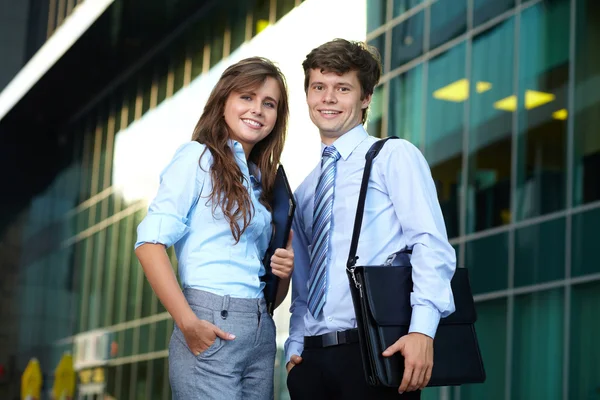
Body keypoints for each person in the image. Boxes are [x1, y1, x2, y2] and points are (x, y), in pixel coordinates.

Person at [284, 39, 456, 399]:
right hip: (311, 362)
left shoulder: (393, 156)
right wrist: (295, 347)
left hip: (376, 351)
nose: (328, 98)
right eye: (319, 87)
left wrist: (423, 330)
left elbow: (430, 245)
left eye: (342, 88)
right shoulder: (303, 191)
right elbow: (302, 286)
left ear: (365, 98)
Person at [134, 57, 294, 400]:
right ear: (224, 101)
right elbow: (148, 244)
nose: (258, 110)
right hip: (209, 320)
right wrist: (188, 323)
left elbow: (270, 292)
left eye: (269, 104)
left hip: (260, 330)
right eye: (247, 97)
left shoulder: (259, 184)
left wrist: (285, 273)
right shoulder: (196, 158)